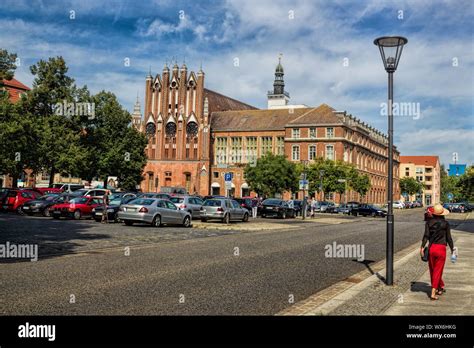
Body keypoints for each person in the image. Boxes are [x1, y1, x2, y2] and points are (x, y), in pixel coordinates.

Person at [420, 203, 455, 300]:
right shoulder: (446, 224)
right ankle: (433, 292)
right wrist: (453, 250)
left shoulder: (428, 223)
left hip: (432, 248)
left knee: (432, 269)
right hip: (441, 249)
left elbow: (426, 236)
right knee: (438, 270)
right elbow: (449, 238)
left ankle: (440, 287)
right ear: (442, 214)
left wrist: (422, 247)